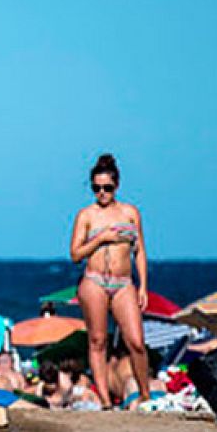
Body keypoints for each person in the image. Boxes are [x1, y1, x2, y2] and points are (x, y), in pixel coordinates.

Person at [68, 153, 151, 410]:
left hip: (124, 282)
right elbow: (75, 254)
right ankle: (105, 399)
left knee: (136, 341)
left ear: (117, 185)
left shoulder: (130, 213)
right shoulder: (86, 215)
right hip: (94, 281)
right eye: (96, 188)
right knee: (98, 340)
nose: (101, 193)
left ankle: (145, 394)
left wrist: (144, 286)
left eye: (107, 188)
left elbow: (141, 252)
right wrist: (100, 239)